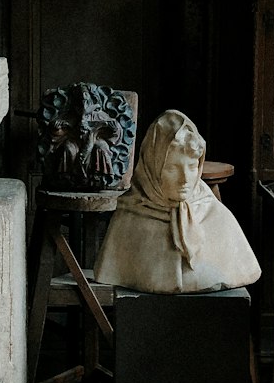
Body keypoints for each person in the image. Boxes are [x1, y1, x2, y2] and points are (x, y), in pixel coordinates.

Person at [94, 109, 261, 293]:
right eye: (173, 169)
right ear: (152, 169)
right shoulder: (129, 218)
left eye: (192, 167)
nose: (185, 179)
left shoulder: (216, 215)